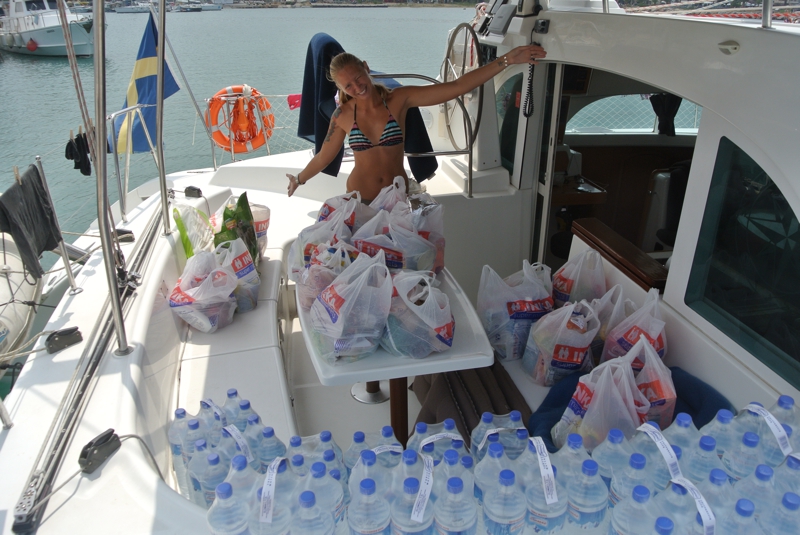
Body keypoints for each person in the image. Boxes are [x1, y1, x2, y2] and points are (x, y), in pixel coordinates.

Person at [286, 43, 546, 202]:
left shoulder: (399, 99)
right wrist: (299, 179)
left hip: (396, 200)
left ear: (366, 67)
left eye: (358, 78)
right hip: (359, 201)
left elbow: (457, 87)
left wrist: (507, 60)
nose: (357, 87)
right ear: (340, 88)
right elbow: (324, 157)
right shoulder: (342, 115)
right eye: (348, 86)